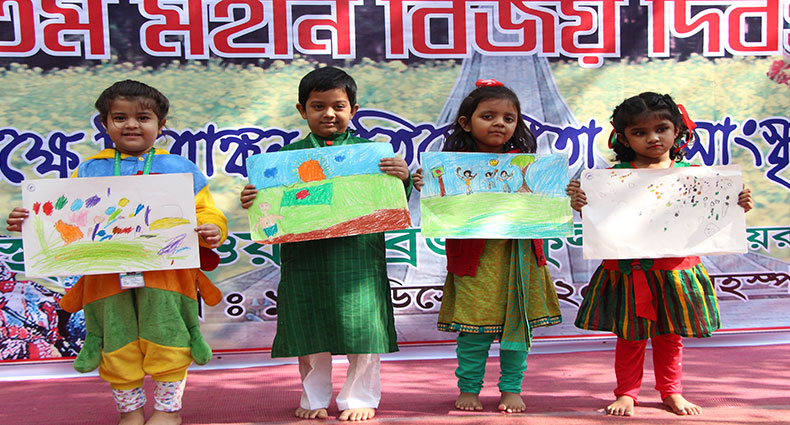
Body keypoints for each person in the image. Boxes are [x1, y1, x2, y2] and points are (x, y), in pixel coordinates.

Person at [6, 80, 227, 425]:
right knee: (116, 343)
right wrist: (30, 220)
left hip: (166, 278)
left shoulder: (180, 169)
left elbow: (206, 212)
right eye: (120, 117)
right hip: (107, 280)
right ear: (105, 124)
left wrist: (213, 228)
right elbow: (65, 216)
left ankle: (168, 411)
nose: (131, 125)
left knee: (167, 340)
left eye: (143, 117)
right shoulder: (89, 170)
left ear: (161, 125)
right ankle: (130, 412)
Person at [239, 66, 412, 422]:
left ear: (353, 110)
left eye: (338, 106)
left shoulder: (373, 156)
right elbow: (271, 212)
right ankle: (313, 397)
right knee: (309, 327)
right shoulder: (284, 160)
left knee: (363, 329)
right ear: (302, 110)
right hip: (307, 260)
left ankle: (359, 398)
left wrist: (403, 178)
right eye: (318, 106)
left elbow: (393, 204)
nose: (329, 114)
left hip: (359, 258)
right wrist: (254, 200)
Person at [566, 92, 754, 417]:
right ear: (624, 138)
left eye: (661, 129)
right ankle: (626, 393)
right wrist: (582, 204)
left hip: (676, 271)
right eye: (640, 132)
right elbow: (601, 221)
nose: (653, 138)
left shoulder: (697, 175)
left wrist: (737, 205)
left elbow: (714, 217)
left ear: (676, 130)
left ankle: (671, 391)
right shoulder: (610, 178)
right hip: (629, 271)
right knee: (630, 337)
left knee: (670, 336)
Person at [420, 79, 562, 413]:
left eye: (508, 118)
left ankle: (511, 388)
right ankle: (469, 388)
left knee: (518, 326)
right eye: (488, 116)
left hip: (520, 259)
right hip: (476, 262)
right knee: (473, 332)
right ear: (466, 123)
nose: (499, 123)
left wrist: (563, 193)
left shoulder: (529, 165)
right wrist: (425, 183)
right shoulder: (449, 167)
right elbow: (444, 210)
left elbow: (544, 207)